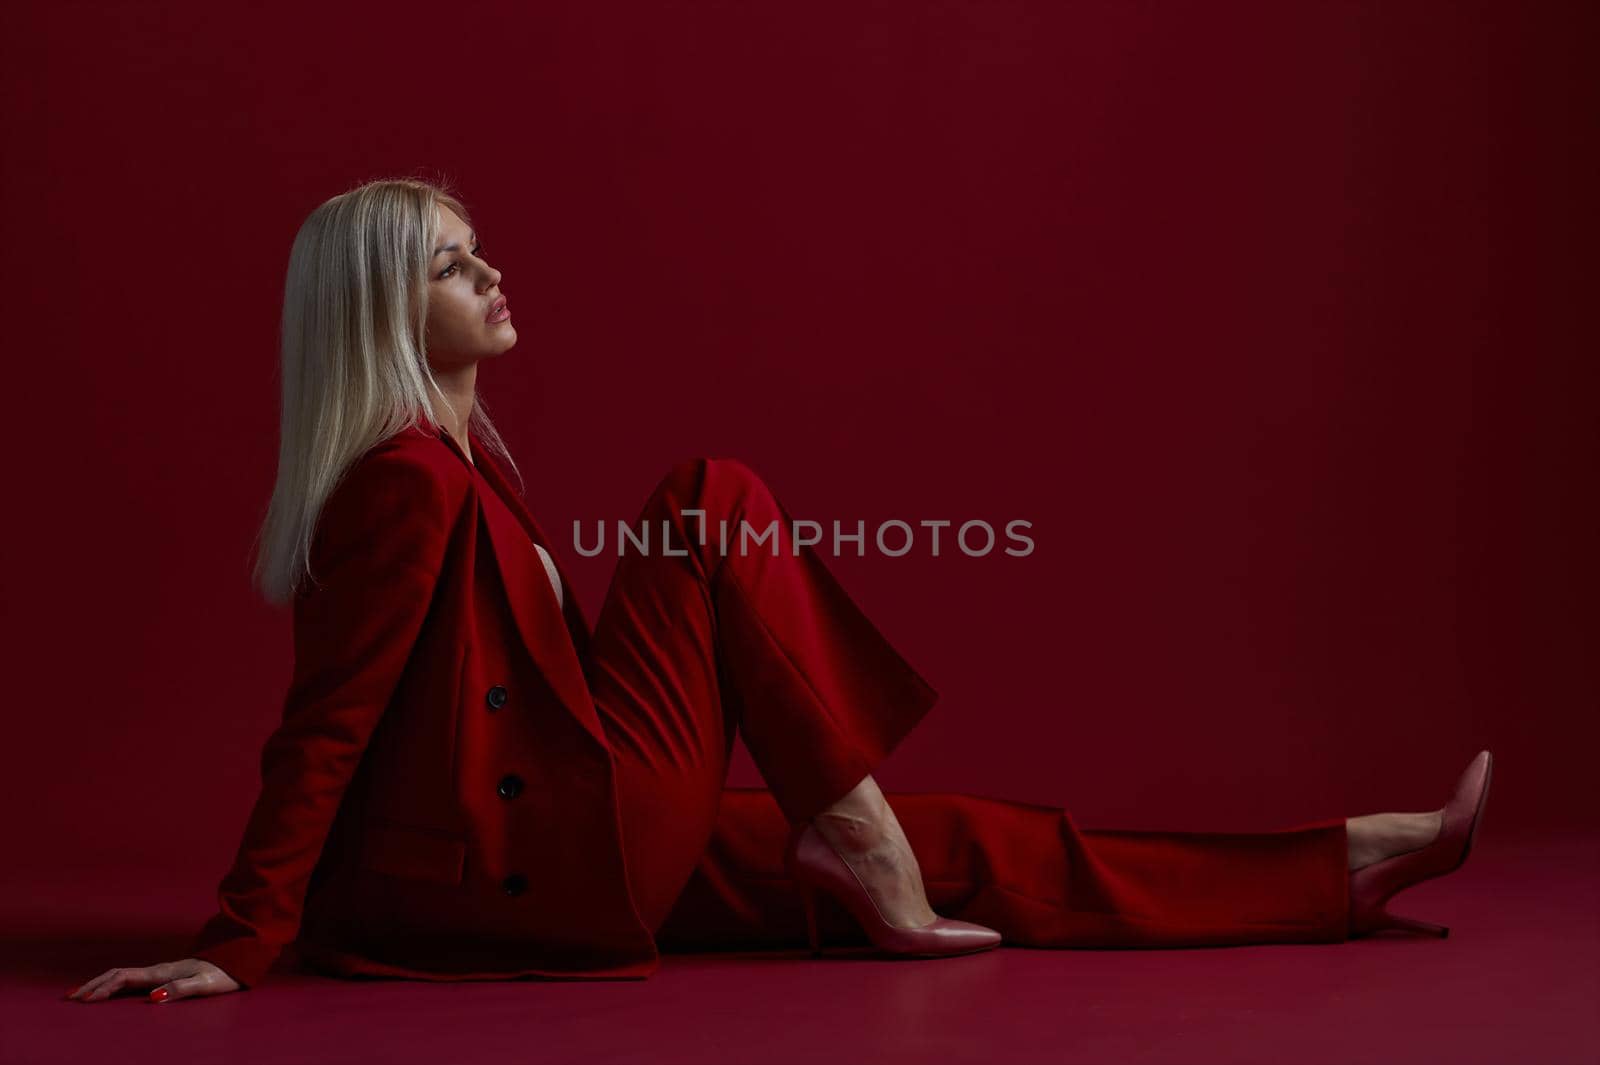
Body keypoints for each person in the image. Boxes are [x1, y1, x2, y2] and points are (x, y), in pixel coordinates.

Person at [65, 178, 1493, 1005]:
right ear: (385, 312)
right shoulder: (406, 485)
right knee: (707, 499)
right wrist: (237, 947)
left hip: (563, 853)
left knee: (971, 846)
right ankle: (854, 832)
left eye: (478, 246)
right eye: (451, 264)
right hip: (535, 872)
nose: (491, 270)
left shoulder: (456, 466)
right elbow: (330, 721)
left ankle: (1348, 863)